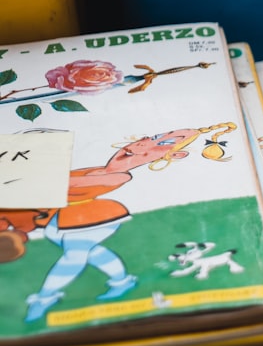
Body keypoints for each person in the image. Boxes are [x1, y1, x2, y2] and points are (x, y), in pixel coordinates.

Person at [21, 123, 236, 322]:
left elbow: (62, 183)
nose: (143, 143)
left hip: (92, 219)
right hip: (63, 218)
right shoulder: (96, 168)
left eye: (162, 144)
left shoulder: (118, 176)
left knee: (75, 255)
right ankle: (122, 282)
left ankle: (44, 298)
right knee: (93, 252)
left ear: (174, 155)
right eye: (152, 137)